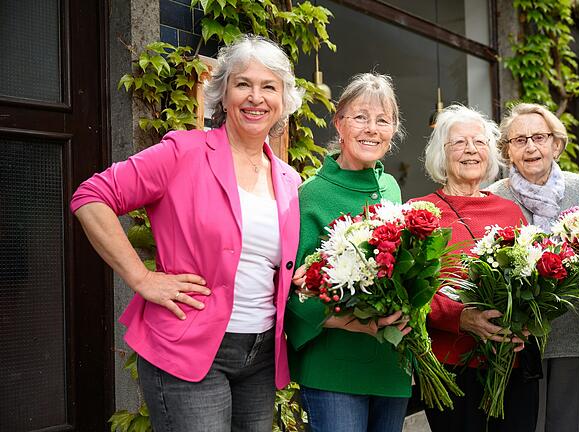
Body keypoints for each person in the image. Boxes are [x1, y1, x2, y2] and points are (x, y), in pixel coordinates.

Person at [71, 35, 304, 431]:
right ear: (223, 92)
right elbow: (91, 197)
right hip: (188, 347)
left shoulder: (290, 180)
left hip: (261, 355)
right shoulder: (183, 152)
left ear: (283, 101)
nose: (255, 97)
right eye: (243, 83)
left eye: (269, 87)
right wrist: (142, 278)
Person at [284, 73, 412, 432]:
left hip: (390, 366)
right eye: (360, 117)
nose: (371, 129)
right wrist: (358, 324)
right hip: (334, 369)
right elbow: (292, 293)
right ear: (339, 123)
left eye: (383, 120)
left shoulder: (390, 188)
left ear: (393, 130)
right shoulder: (310, 194)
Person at [411, 104, 537, 432]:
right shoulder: (420, 212)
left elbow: (531, 279)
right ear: (441, 153)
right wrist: (459, 318)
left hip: (510, 362)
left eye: (479, 142)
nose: (471, 149)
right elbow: (410, 290)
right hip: (450, 365)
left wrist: (524, 318)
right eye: (459, 143)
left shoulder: (510, 211)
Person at [487, 102, 579, 432]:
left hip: (577, 331)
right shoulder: (494, 197)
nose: (530, 147)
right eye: (519, 140)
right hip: (519, 339)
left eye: (539, 137)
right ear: (508, 151)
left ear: (556, 143)